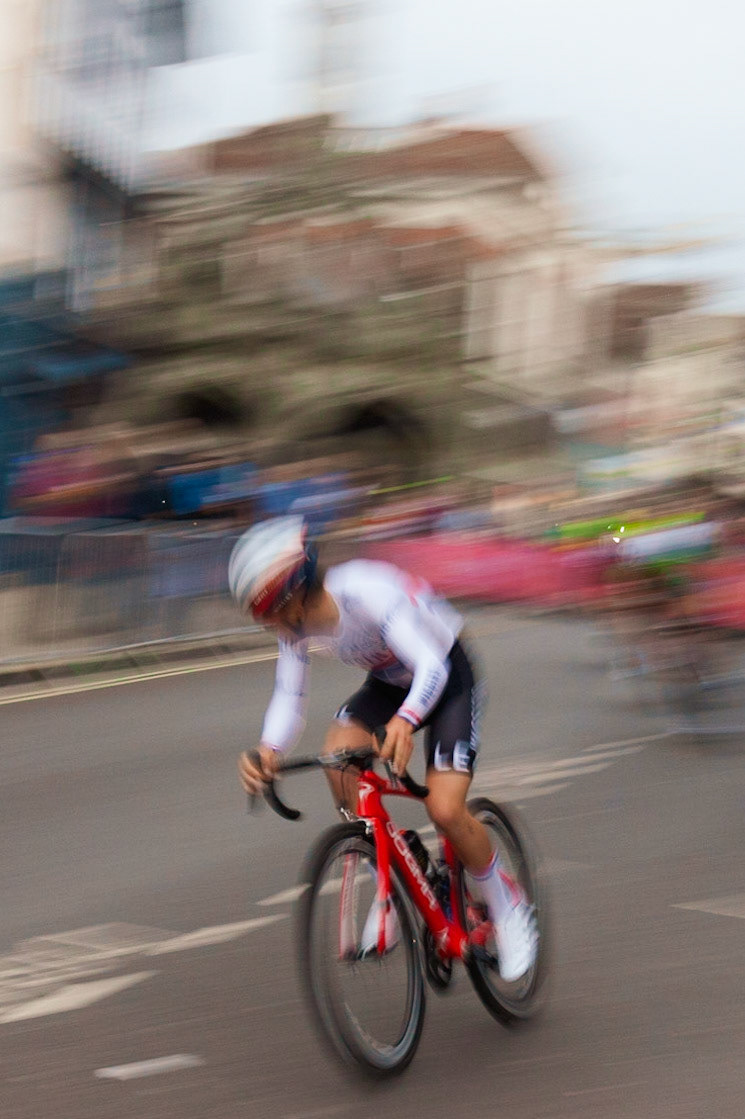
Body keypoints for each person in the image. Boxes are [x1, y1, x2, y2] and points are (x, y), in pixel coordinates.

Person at [230, 515, 537, 981]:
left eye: (267, 608)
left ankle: (506, 903)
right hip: (392, 683)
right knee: (338, 756)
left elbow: (432, 667)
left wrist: (406, 722)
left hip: (446, 674)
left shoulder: (366, 591)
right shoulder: (294, 626)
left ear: (293, 591)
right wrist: (268, 749)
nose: (266, 622)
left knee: (446, 810)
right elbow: (290, 695)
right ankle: (390, 876)